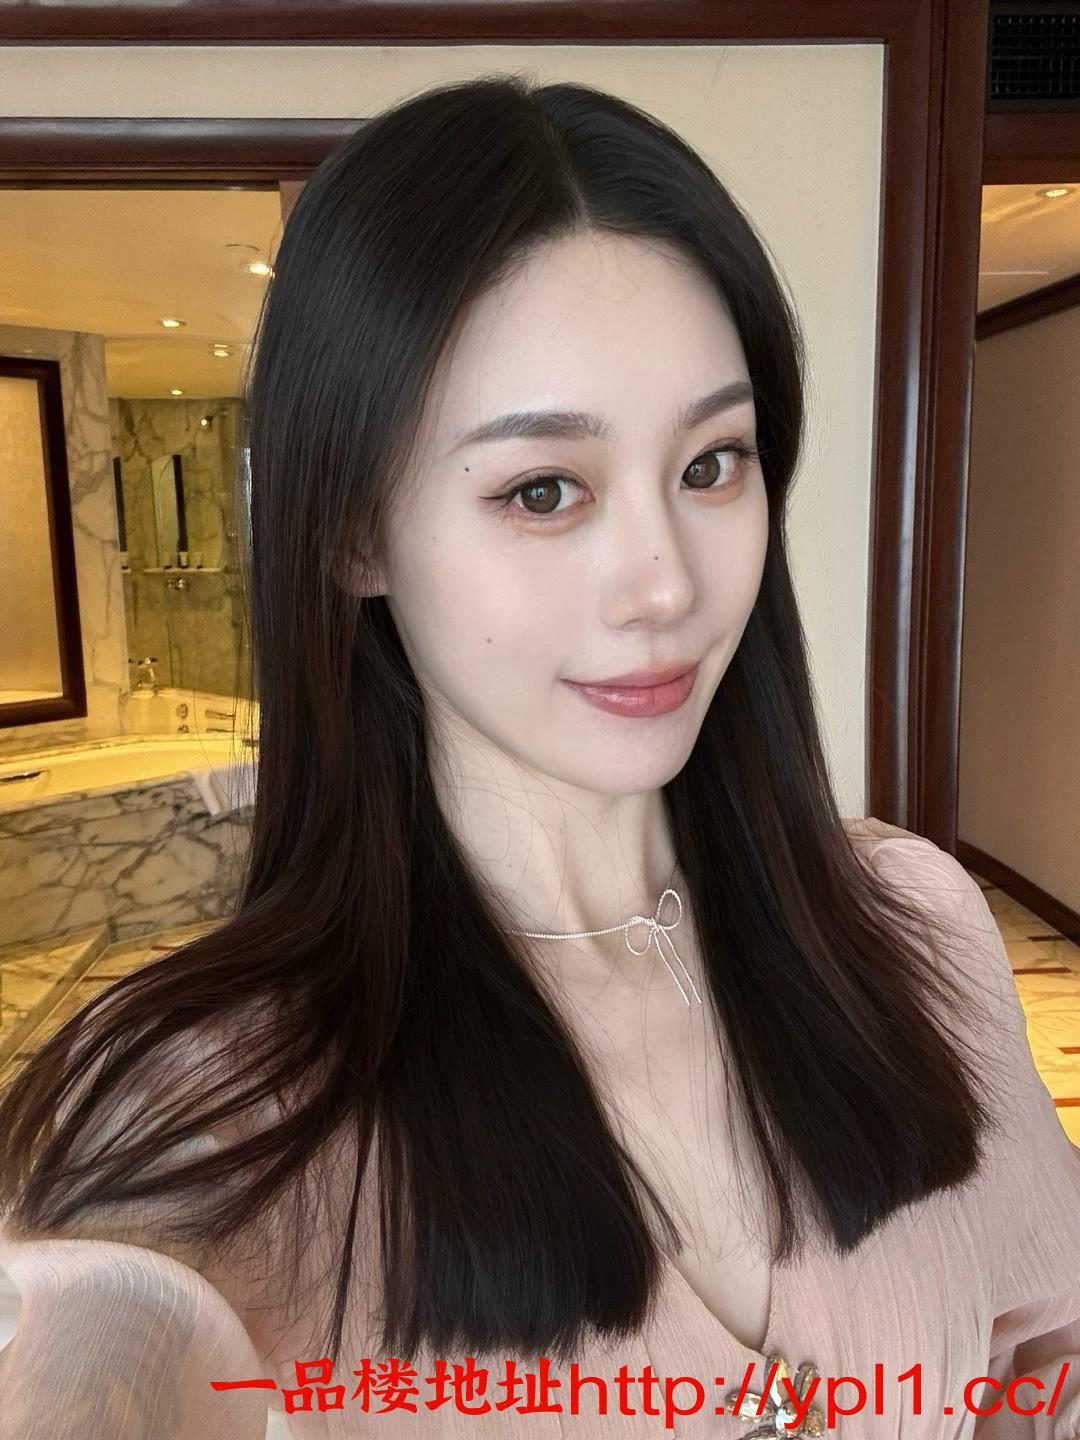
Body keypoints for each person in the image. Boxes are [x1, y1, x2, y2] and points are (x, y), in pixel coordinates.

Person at [1, 73, 1078, 1440]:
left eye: (711, 465)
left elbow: (1041, 1367)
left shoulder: (917, 926)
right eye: (544, 490)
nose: (667, 585)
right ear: (353, 533)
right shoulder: (200, 1114)